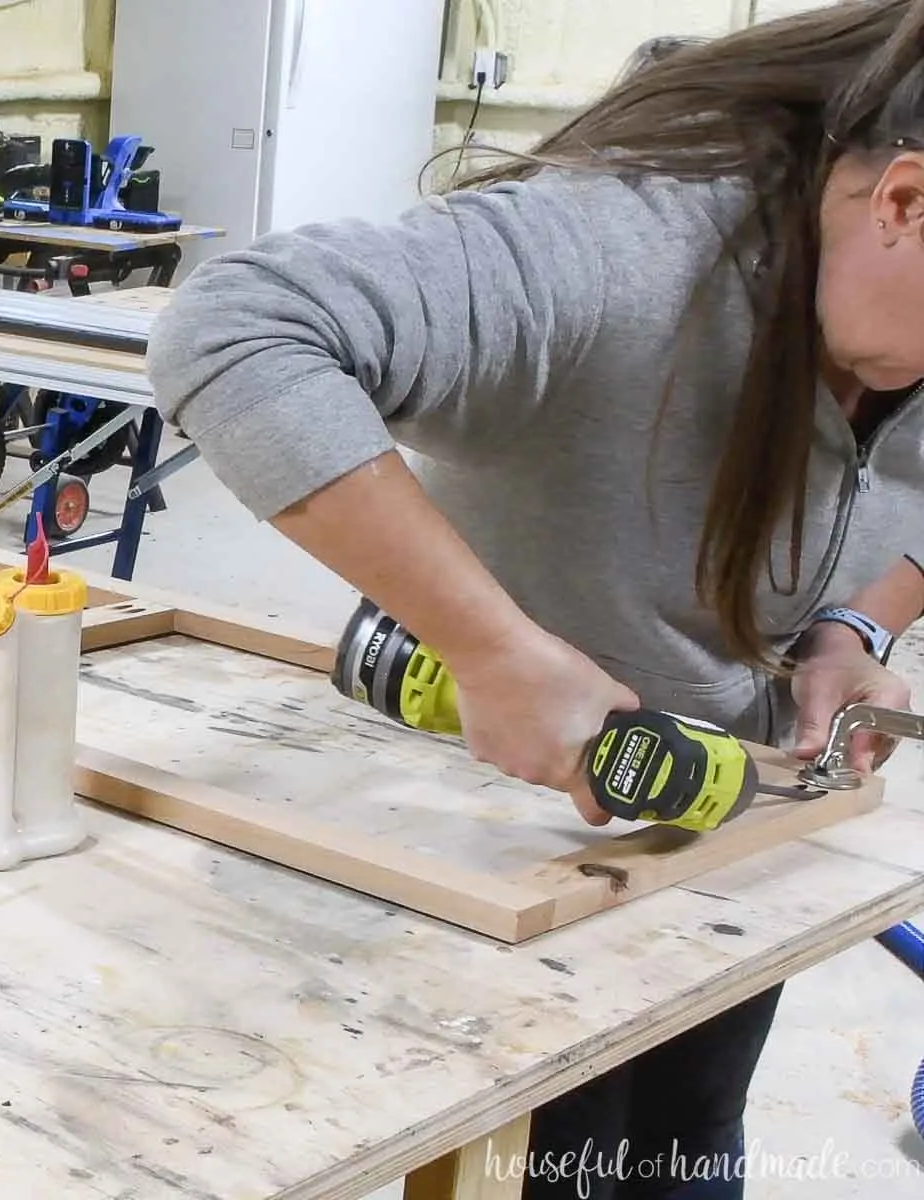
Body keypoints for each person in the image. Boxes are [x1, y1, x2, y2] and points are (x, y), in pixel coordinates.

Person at [145, 1, 924, 1195]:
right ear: (906, 203)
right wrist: (494, 650)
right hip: (501, 844)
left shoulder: (890, 305)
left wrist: (856, 625)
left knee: (689, 1138)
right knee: (547, 1163)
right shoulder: (626, 247)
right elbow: (236, 328)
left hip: (726, 822)